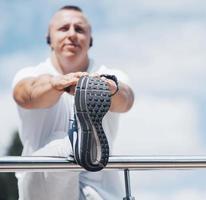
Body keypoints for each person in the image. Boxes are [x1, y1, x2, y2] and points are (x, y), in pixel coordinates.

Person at [12, 5, 134, 200]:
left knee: (64, 151)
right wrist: (56, 83)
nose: (72, 34)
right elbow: (25, 94)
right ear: (49, 38)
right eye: (63, 28)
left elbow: (126, 100)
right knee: (59, 149)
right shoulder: (31, 74)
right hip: (44, 183)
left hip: (99, 189)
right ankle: (74, 145)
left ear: (90, 39)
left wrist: (109, 88)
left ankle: (80, 143)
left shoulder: (111, 75)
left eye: (79, 29)